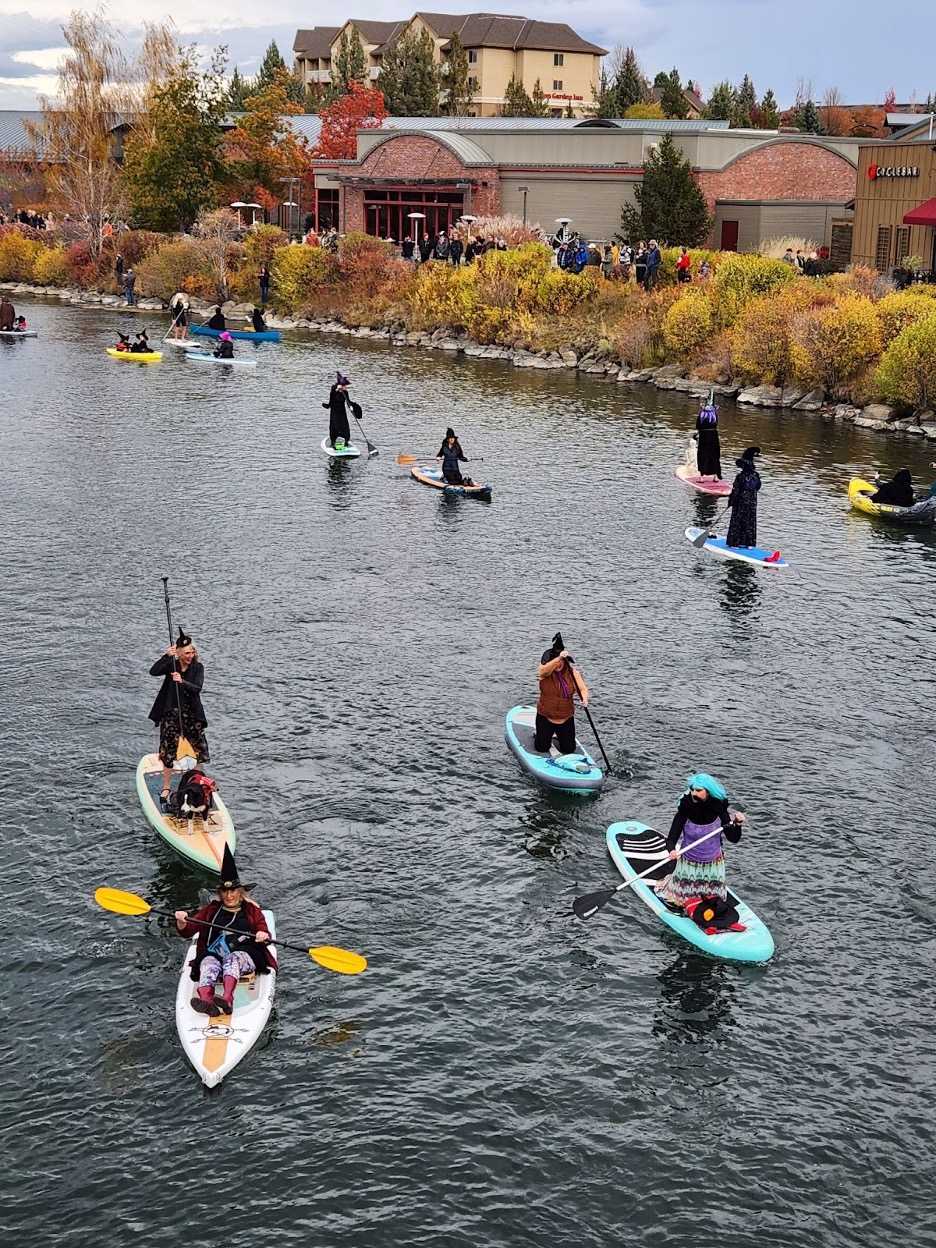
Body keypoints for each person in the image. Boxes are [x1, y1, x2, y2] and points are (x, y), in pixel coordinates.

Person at [174, 845, 276, 1017]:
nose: (229, 896)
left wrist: (262, 935)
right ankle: (207, 1001)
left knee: (231, 959)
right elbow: (188, 931)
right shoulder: (211, 910)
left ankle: (227, 999)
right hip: (215, 953)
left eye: (233, 891)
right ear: (220, 893)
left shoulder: (251, 910)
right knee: (207, 962)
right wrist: (181, 921)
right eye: (225, 891)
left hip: (246, 955)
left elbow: (264, 931)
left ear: (240, 891)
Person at [656, 773, 746, 919]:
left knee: (713, 902)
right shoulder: (685, 810)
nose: (694, 793)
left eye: (698, 790)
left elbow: (733, 838)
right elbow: (672, 838)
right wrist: (671, 850)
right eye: (692, 789)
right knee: (681, 902)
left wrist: (737, 824)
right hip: (689, 864)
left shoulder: (719, 811)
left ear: (708, 792)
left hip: (713, 865)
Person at [148, 627, 209, 803]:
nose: (190, 656)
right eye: (187, 653)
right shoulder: (171, 665)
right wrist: (166, 656)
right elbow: (153, 671)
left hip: (192, 715)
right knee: (168, 751)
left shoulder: (198, 668)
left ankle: (196, 781)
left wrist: (182, 682)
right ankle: (166, 787)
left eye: (192, 652)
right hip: (171, 714)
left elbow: (197, 688)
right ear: (180, 653)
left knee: (198, 750)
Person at [534, 632, 589, 755]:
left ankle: (558, 736)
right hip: (545, 716)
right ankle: (541, 735)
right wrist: (558, 658)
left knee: (569, 749)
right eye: (555, 661)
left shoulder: (573, 673)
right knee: (541, 747)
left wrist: (585, 699)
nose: (558, 664)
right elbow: (542, 670)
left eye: (561, 661)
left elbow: (583, 689)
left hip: (566, 718)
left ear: (565, 661)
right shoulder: (545, 673)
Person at [726, 447, 762, 548]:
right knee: (750, 521)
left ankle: (735, 543)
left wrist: (730, 502)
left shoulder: (740, 477)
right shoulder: (756, 475)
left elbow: (735, 492)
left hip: (740, 503)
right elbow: (758, 487)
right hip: (752, 503)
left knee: (737, 521)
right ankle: (748, 543)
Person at [323, 372, 353, 449]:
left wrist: (351, 407)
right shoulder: (333, 390)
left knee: (345, 427)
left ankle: (346, 442)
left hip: (342, 412)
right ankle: (333, 442)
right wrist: (337, 390)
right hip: (334, 412)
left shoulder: (345, 392)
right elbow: (331, 400)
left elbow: (348, 401)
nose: (346, 387)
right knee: (335, 426)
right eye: (345, 386)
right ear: (341, 386)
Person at [695, 399, 722, 480]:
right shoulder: (714, 415)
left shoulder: (701, 415)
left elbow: (697, 426)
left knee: (702, 455)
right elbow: (716, 424)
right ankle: (715, 476)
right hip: (714, 436)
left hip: (703, 437)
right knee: (715, 456)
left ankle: (701, 477)